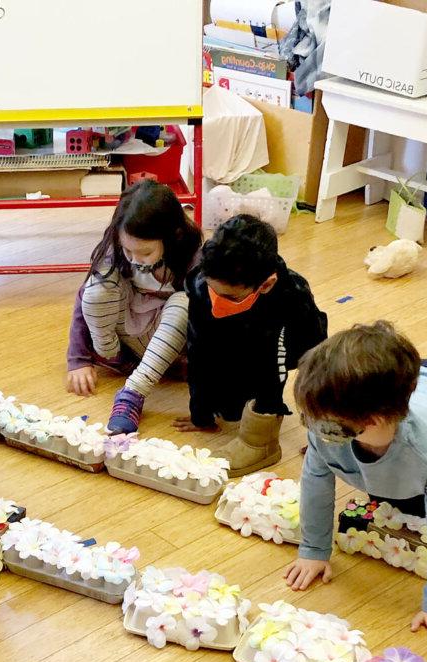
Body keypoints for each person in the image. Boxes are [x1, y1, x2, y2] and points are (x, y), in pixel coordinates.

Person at [285, 321, 427, 656]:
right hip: (417, 380)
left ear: (374, 421)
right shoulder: (326, 420)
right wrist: (313, 549)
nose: (317, 432)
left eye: (328, 428)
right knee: (386, 499)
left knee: (416, 512)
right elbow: (316, 479)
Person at [178, 214, 327, 475]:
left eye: (229, 297)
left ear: (266, 285)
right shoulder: (201, 284)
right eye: (213, 291)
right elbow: (198, 350)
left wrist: (258, 433)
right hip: (239, 334)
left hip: (298, 346)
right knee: (230, 409)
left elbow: (275, 370)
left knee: (316, 385)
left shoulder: (290, 296)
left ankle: (298, 442)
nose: (216, 303)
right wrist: (199, 413)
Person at [66, 180, 202, 434]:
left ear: (174, 236)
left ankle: (133, 391)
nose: (135, 259)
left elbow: (206, 319)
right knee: (96, 288)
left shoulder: (192, 255)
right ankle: (117, 359)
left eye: (145, 252)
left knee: (186, 302)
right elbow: (84, 300)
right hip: (126, 341)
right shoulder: (115, 249)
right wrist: (79, 359)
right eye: (128, 250)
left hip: (168, 343)